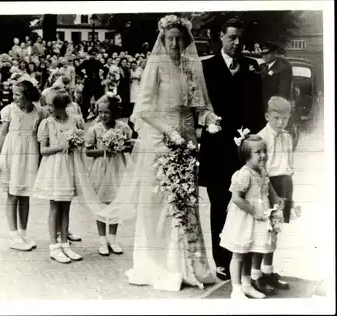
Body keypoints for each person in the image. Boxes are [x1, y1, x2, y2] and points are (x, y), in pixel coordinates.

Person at [99, 14, 221, 291]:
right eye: (170, 39)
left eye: (179, 38)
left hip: (188, 139)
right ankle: (161, 264)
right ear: (162, 40)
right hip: (161, 140)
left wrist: (210, 119)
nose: (175, 44)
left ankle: (190, 265)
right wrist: (169, 131)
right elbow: (143, 109)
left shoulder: (193, 66)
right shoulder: (155, 65)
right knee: (161, 201)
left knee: (186, 199)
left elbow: (201, 104)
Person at [200, 18, 265, 281]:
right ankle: (222, 261)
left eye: (240, 38)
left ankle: (243, 257)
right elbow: (200, 107)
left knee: (246, 201)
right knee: (220, 204)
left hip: (245, 150)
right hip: (217, 149)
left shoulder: (251, 66)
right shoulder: (208, 67)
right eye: (231, 38)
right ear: (220, 38)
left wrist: (251, 136)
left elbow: (257, 107)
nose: (237, 43)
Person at [219, 132, 283, 299]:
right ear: (246, 155)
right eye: (258, 152)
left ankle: (247, 285)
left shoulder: (261, 171)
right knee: (239, 254)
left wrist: (277, 201)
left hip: (259, 218)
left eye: (264, 151)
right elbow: (236, 198)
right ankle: (236, 289)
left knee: (251, 251)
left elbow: (269, 189)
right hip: (245, 218)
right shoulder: (244, 174)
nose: (263, 155)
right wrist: (255, 211)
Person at [0, 80, 46, 251]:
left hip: (29, 154)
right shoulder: (9, 111)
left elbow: (40, 135)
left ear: (28, 96)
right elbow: (2, 133)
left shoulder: (40, 112)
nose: (14, 97)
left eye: (17, 94)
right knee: (13, 194)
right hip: (12, 154)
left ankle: (23, 232)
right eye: (13, 94)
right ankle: (13, 234)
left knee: (25, 194)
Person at [33, 90, 85, 264]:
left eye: (51, 106)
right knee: (55, 206)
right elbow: (43, 150)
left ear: (61, 107)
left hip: (69, 166)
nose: (48, 109)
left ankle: (65, 243)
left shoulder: (74, 121)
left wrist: (75, 144)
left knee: (66, 207)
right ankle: (54, 246)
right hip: (54, 168)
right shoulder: (47, 123)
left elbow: (80, 143)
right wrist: (61, 146)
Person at [85, 93, 133, 256]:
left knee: (115, 202)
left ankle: (113, 238)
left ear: (115, 112)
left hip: (117, 167)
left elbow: (129, 146)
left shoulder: (122, 128)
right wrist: (104, 150)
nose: (103, 116)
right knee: (101, 203)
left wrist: (119, 147)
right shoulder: (95, 130)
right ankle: (102, 241)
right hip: (101, 168)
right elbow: (88, 152)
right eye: (100, 112)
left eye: (107, 112)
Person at [256, 96, 295, 290]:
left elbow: (288, 166)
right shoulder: (261, 138)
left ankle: (268, 271)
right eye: (276, 118)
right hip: (268, 187)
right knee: (264, 232)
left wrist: (287, 195)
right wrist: (273, 195)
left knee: (276, 231)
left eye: (285, 118)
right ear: (267, 116)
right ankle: (256, 276)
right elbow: (261, 171)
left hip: (284, 185)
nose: (280, 122)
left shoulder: (287, 137)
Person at [259, 42, 293, 112]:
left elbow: (284, 92)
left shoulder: (283, 67)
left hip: (273, 108)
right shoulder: (262, 66)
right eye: (263, 54)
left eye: (267, 53)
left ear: (274, 53)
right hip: (261, 107)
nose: (265, 56)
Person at [77, 48, 106, 120]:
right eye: (92, 55)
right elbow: (78, 69)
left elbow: (106, 69)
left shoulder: (98, 62)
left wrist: (101, 76)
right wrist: (83, 75)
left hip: (96, 82)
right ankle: (84, 115)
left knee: (99, 99)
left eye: (94, 54)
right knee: (85, 100)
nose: (93, 56)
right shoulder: (86, 62)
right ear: (89, 55)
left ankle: (100, 115)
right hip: (88, 82)